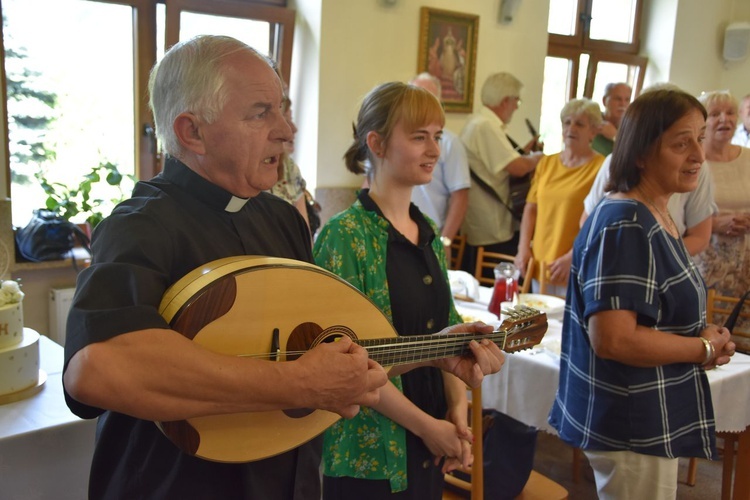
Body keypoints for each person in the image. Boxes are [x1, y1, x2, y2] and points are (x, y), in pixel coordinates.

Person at [62, 35, 503, 499]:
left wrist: (429, 352)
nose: (287, 131)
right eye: (260, 113)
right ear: (192, 132)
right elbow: (97, 367)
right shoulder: (140, 225)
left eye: (283, 109)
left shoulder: (279, 219)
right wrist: (297, 384)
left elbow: (324, 357)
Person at [314, 82, 500, 499]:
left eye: (437, 136)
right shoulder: (344, 235)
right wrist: (428, 428)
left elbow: (450, 329)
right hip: (372, 448)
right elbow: (349, 361)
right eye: (419, 137)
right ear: (376, 143)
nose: (434, 149)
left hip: (430, 432)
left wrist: (456, 411)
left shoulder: (428, 231)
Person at [549, 89, 736, 500]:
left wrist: (699, 333)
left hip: (647, 413)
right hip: (632, 419)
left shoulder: (656, 211)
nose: (699, 156)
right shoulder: (626, 220)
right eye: (680, 143)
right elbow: (614, 338)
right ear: (640, 153)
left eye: (699, 139)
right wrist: (701, 348)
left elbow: (652, 311)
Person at [514, 98, 605, 295]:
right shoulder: (546, 163)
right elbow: (531, 209)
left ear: (594, 131)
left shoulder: (601, 168)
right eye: (567, 122)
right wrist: (523, 248)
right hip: (540, 263)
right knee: (537, 321)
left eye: (580, 124)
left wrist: (573, 256)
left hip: (575, 264)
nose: (571, 128)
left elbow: (600, 223)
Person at [459, 72, 542, 273]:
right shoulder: (485, 126)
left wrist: (524, 153)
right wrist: (539, 158)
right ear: (506, 101)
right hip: (491, 227)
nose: (516, 107)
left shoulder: (479, 122)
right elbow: (518, 167)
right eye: (517, 102)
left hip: (486, 222)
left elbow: (501, 162)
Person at [694, 90, 750, 340]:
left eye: (729, 112)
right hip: (706, 264)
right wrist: (715, 223)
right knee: (708, 339)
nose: (724, 119)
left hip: (745, 267)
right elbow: (673, 217)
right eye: (715, 114)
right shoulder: (693, 160)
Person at [408, 72, 470, 250]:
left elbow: (460, 196)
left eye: (429, 99)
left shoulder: (450, 143)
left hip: (431, 237)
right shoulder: (397, 141)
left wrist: (445, 242)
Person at [269, 92, 312, 231]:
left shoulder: (290, 169)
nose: (293, 129)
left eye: (290, 119)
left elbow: (303, 234)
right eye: (286, 120)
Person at [591, 82, 632, 156]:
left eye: (627, 100)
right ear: (604, 101)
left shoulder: (633, 127)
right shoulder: (591, 121)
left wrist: (615, 137)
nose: (623, 104)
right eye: (618, 99)